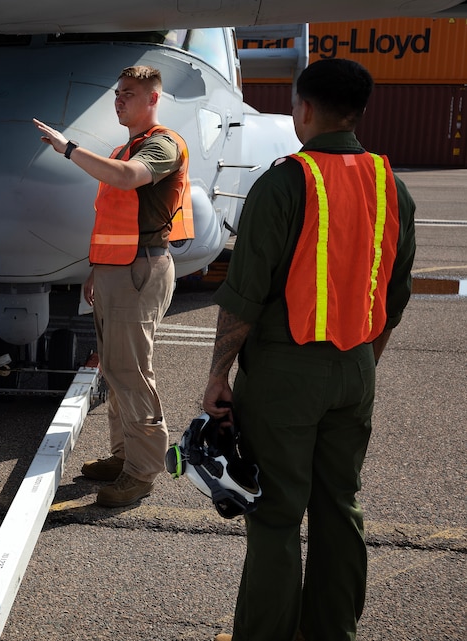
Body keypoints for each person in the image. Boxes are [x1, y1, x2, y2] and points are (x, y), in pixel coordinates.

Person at [201, 58, 416, 641]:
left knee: (274, 515)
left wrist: (218, 374)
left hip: (285, 377)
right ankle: (332, 630)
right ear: (357, 111)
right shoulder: (390, 184)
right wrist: (364, 366)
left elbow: (244, 295)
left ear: (305, 109)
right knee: (339, 508)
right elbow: (394, 296)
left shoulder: (284, 182)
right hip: (357, 369)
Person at [33, 65, 192, 507]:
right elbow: (114, 218)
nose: (119, 100)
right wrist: (96, 269)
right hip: (116, 269)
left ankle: (142, 472)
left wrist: (69, 150)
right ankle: (125, 457)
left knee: (131, 371)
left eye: (129, 93)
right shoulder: (128, 146)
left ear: (153, 99)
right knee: (116, 369)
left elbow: (125, 179)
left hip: (139, 270)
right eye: (117, 93)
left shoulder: (162, 145)